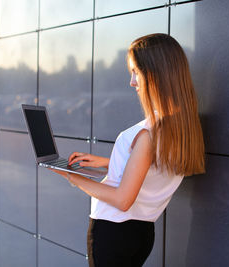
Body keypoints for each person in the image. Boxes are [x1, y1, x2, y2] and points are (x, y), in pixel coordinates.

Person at [51, 33, 205, 267]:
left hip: (113, 234)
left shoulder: (148, 135)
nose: (132, 82)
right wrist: (106, 162)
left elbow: (122, 200)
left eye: (136, 72)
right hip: (142, 234)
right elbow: (155, 167)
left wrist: (72, 177)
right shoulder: (181, 126)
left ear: (155, 74)